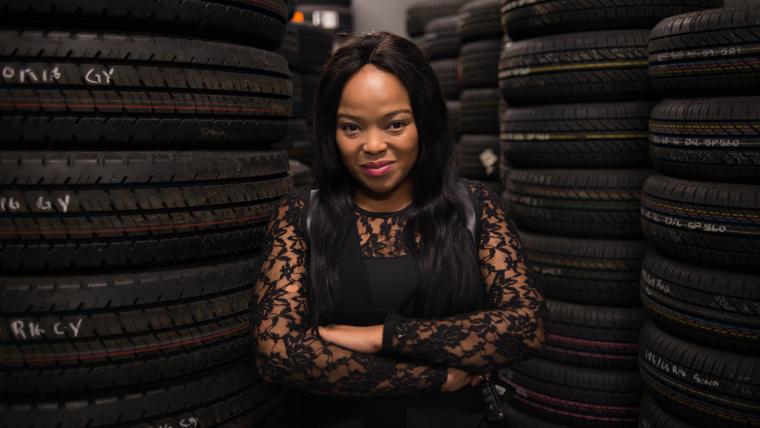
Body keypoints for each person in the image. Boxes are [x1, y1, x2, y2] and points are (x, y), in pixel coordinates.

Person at [251, 31, 546, 428]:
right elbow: (278, 353)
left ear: (424, 122)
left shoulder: (474, 207)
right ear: (330, 132)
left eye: (394, 124)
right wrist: (433, 378)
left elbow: (526, 326)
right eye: (352, 128)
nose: (372, 146)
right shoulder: (300, 216)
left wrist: (383, 337)